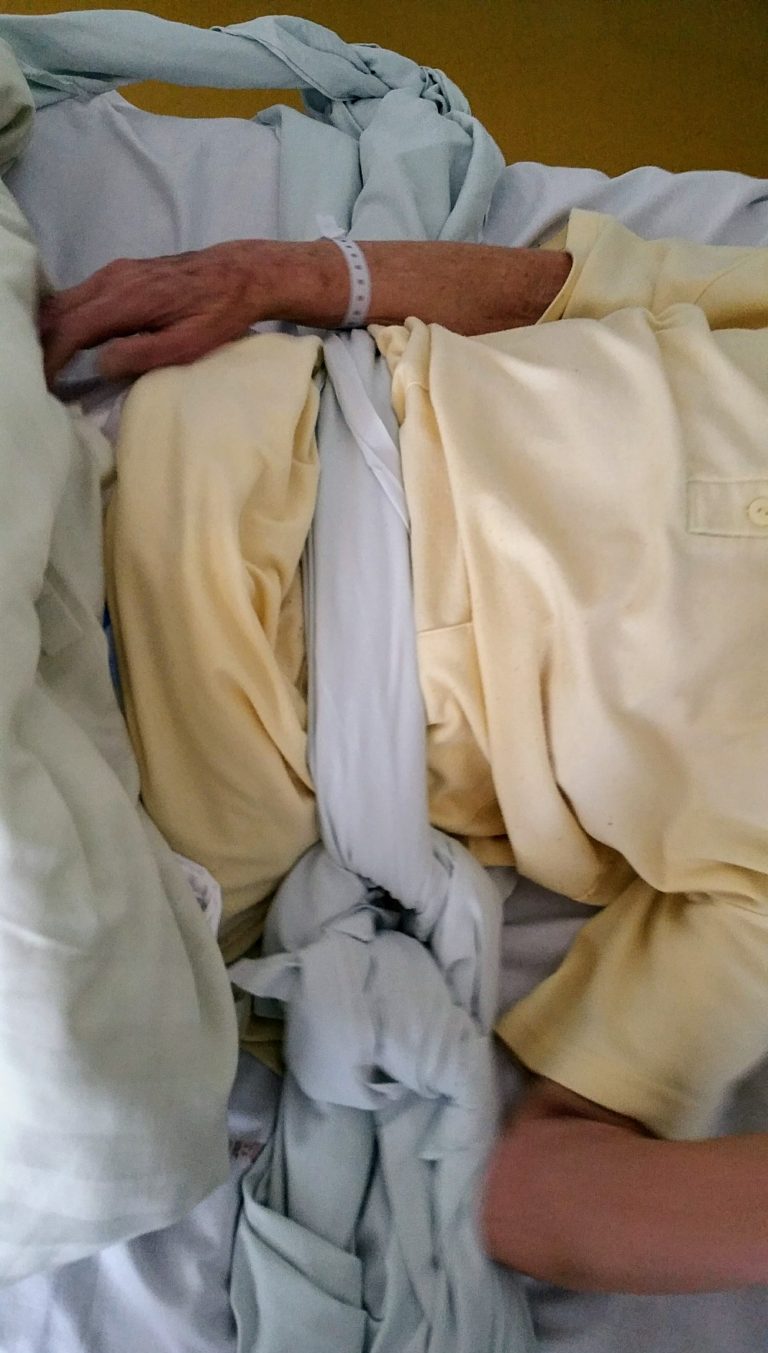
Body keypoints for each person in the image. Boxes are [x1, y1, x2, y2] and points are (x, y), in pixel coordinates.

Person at [40, 220, 768, 1298]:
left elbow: (539, 1193)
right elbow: (562, 290)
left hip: (193, 751)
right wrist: (284, 273)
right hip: (223, 429)